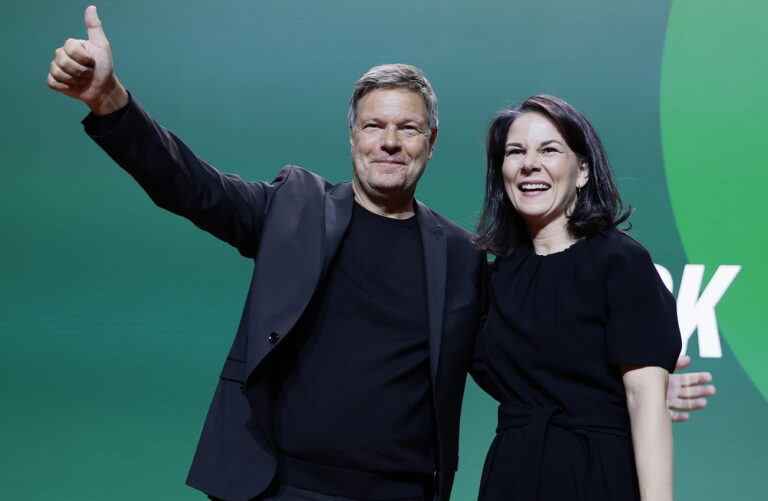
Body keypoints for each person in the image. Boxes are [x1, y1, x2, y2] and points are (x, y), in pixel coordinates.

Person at [47, 6, 715, 501]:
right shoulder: (294, 208)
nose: (390, 142)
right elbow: (190, 186)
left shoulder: (460, 256)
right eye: (375, 126)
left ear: (430, 143)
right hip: (281, 487)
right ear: (353, 137)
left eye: (408, 128)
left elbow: (527, 351)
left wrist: (627, 390)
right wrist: (112, 104)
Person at [473, 95, 682, 500]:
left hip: (596, 475)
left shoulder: (620, 262)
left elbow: (644, 401)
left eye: (549, 150)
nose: (529, 164)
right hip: (511, 475)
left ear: (582, 170)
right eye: (516, 152)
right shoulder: (493, 278)